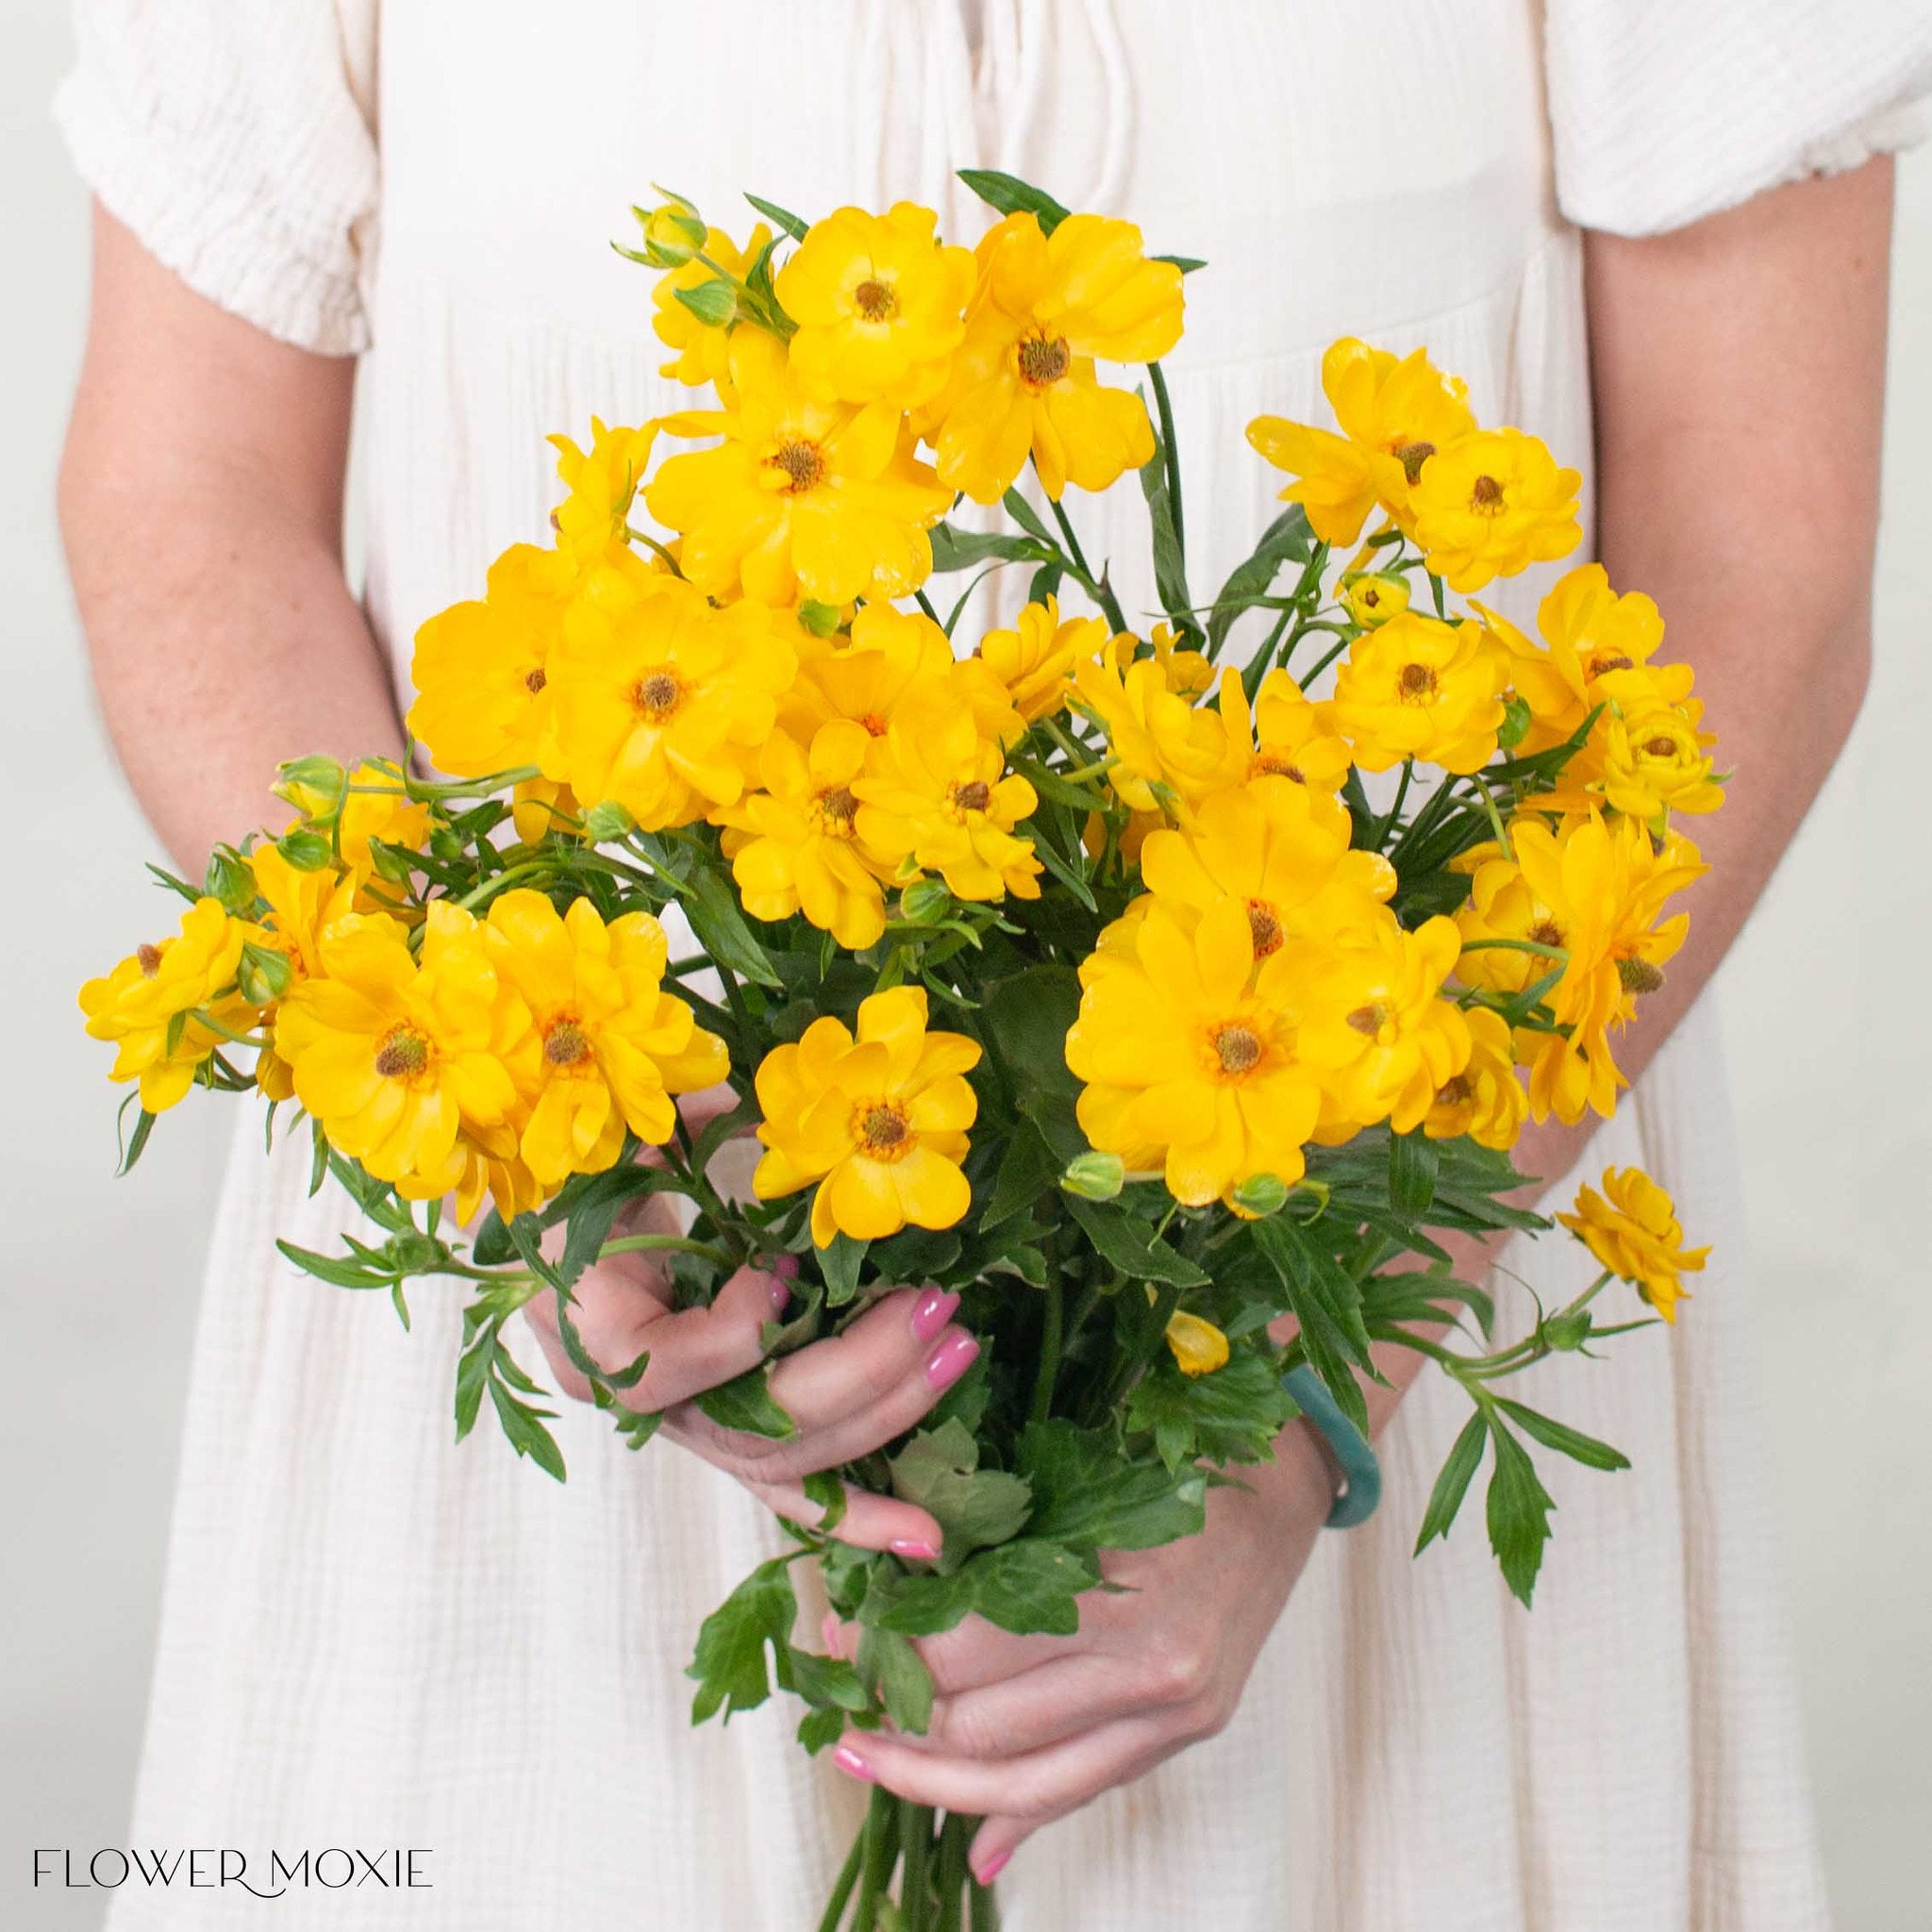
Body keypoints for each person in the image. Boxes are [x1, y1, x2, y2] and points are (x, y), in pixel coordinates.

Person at [55, 3, 1930, 1925]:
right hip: (592, 1308)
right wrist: (534, 1143)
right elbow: (192, 493)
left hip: (1373, 1268)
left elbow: (1752, 553)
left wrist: (1312, 1376)